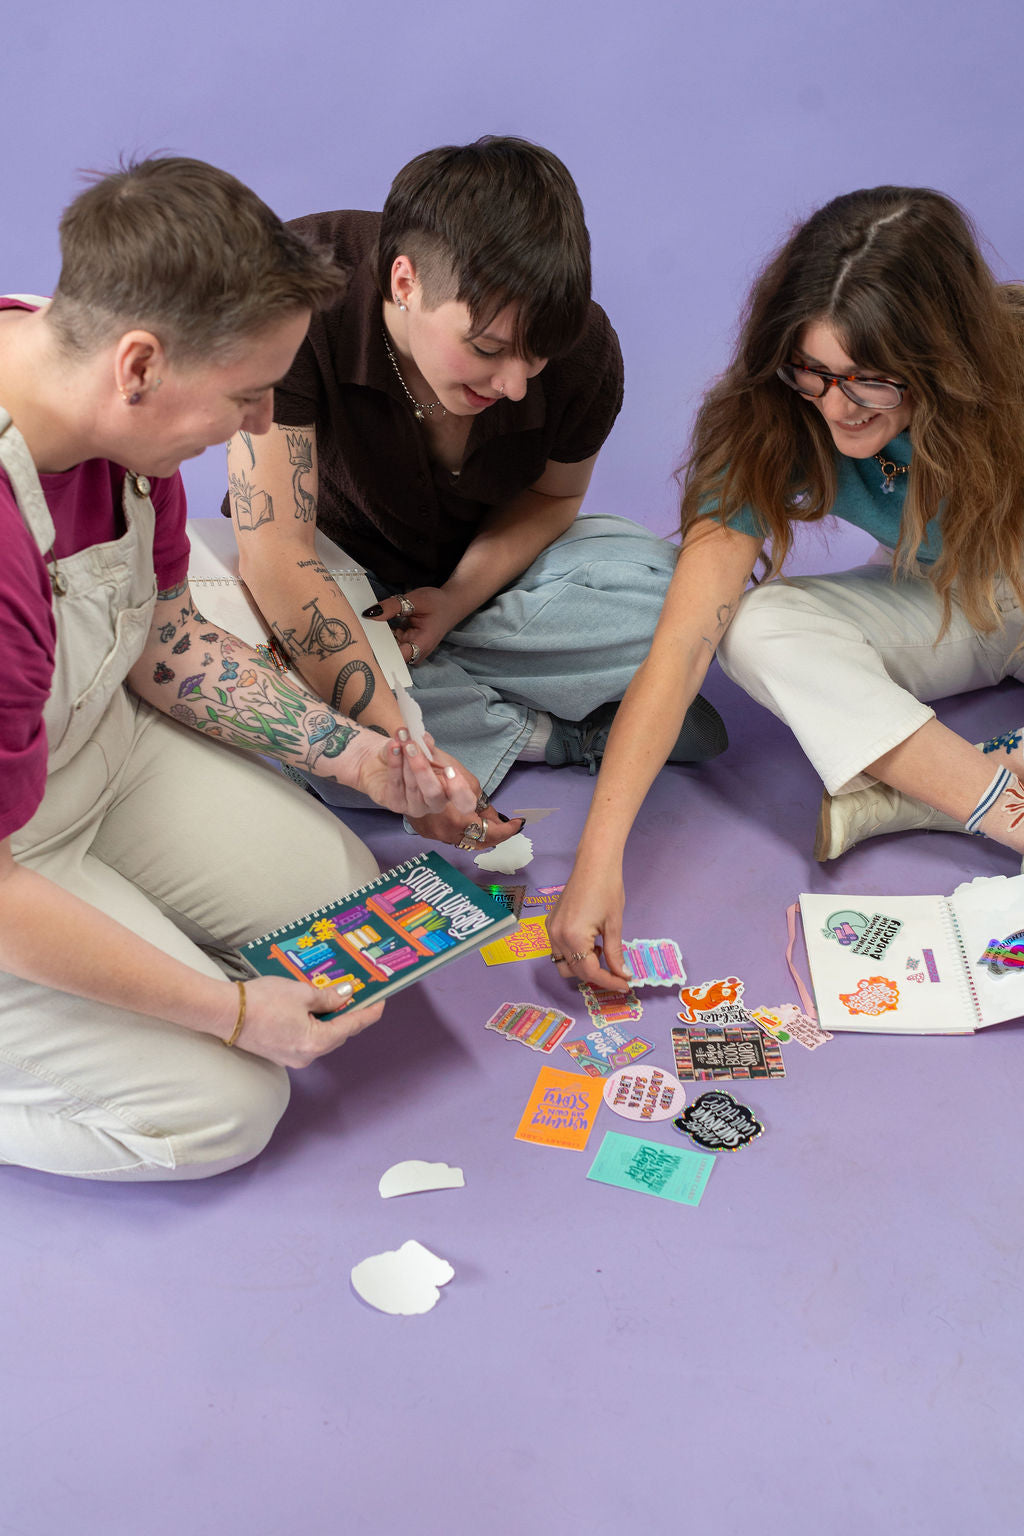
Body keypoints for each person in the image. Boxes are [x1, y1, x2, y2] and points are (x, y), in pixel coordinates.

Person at [0, 156, 477, 1181]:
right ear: (140, 368)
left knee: (352, 924)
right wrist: (226, 1013)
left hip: (93, 757)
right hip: (8, 864)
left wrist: (361, 759)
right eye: (249, 396)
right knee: (226, 1107)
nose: (262, 426)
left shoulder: (81, 365)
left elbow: (163, 639)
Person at [548, 185, 1024, 989]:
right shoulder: (769, 416)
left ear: (944, 355)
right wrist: (596, 863)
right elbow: (680, 649)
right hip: (951, 599)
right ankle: (1001, 802)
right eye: (814, 371)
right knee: (755, 626)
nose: (838, 407)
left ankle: (913, 792)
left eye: (870, 379)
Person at [224, 136, 726, 855]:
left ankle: (454, 697)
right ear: (404, 282)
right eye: (488, 349)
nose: (516, 384)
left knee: (675, 594)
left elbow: (555, 501)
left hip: (488, 588)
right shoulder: (294, 297)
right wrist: (400, 754)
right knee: (284, 706)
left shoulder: (584, 349)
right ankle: (559, 733)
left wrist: (455, 598)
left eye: (537, 356)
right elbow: (276, 554)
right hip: (331, 579)